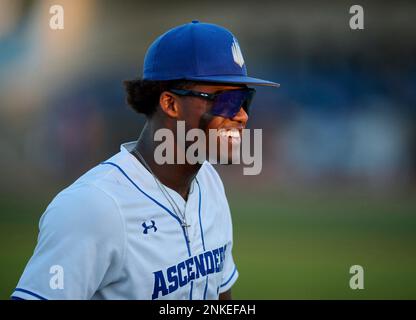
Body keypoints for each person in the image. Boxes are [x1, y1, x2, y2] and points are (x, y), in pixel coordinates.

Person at [11, 21, 279, 300]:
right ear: (170, 104)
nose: (242, 115)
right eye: (226, 100)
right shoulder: (93, 206)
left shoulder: (209, 183)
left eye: (244, 99)